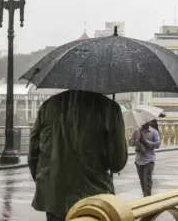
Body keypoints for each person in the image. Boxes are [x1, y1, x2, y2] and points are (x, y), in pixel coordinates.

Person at [28, 90, 128, 221]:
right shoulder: (110, 109)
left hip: (55, 198)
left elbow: (33, 154)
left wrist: (49, 181)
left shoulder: (49, 106)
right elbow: (117, 163)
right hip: (95, 198)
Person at [129, 121, 161, 197]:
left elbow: (157, 144)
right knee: (142, 181)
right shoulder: (137, 131)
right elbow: (130, 143)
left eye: (146, 122)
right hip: (138, 160)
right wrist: (136, 141)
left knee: (147, 181)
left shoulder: (154, 131)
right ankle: (145, 196)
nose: (144, 124)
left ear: (149, 122)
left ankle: (147, 198)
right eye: (143, 122)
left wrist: (145, 142)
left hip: (149, 160)